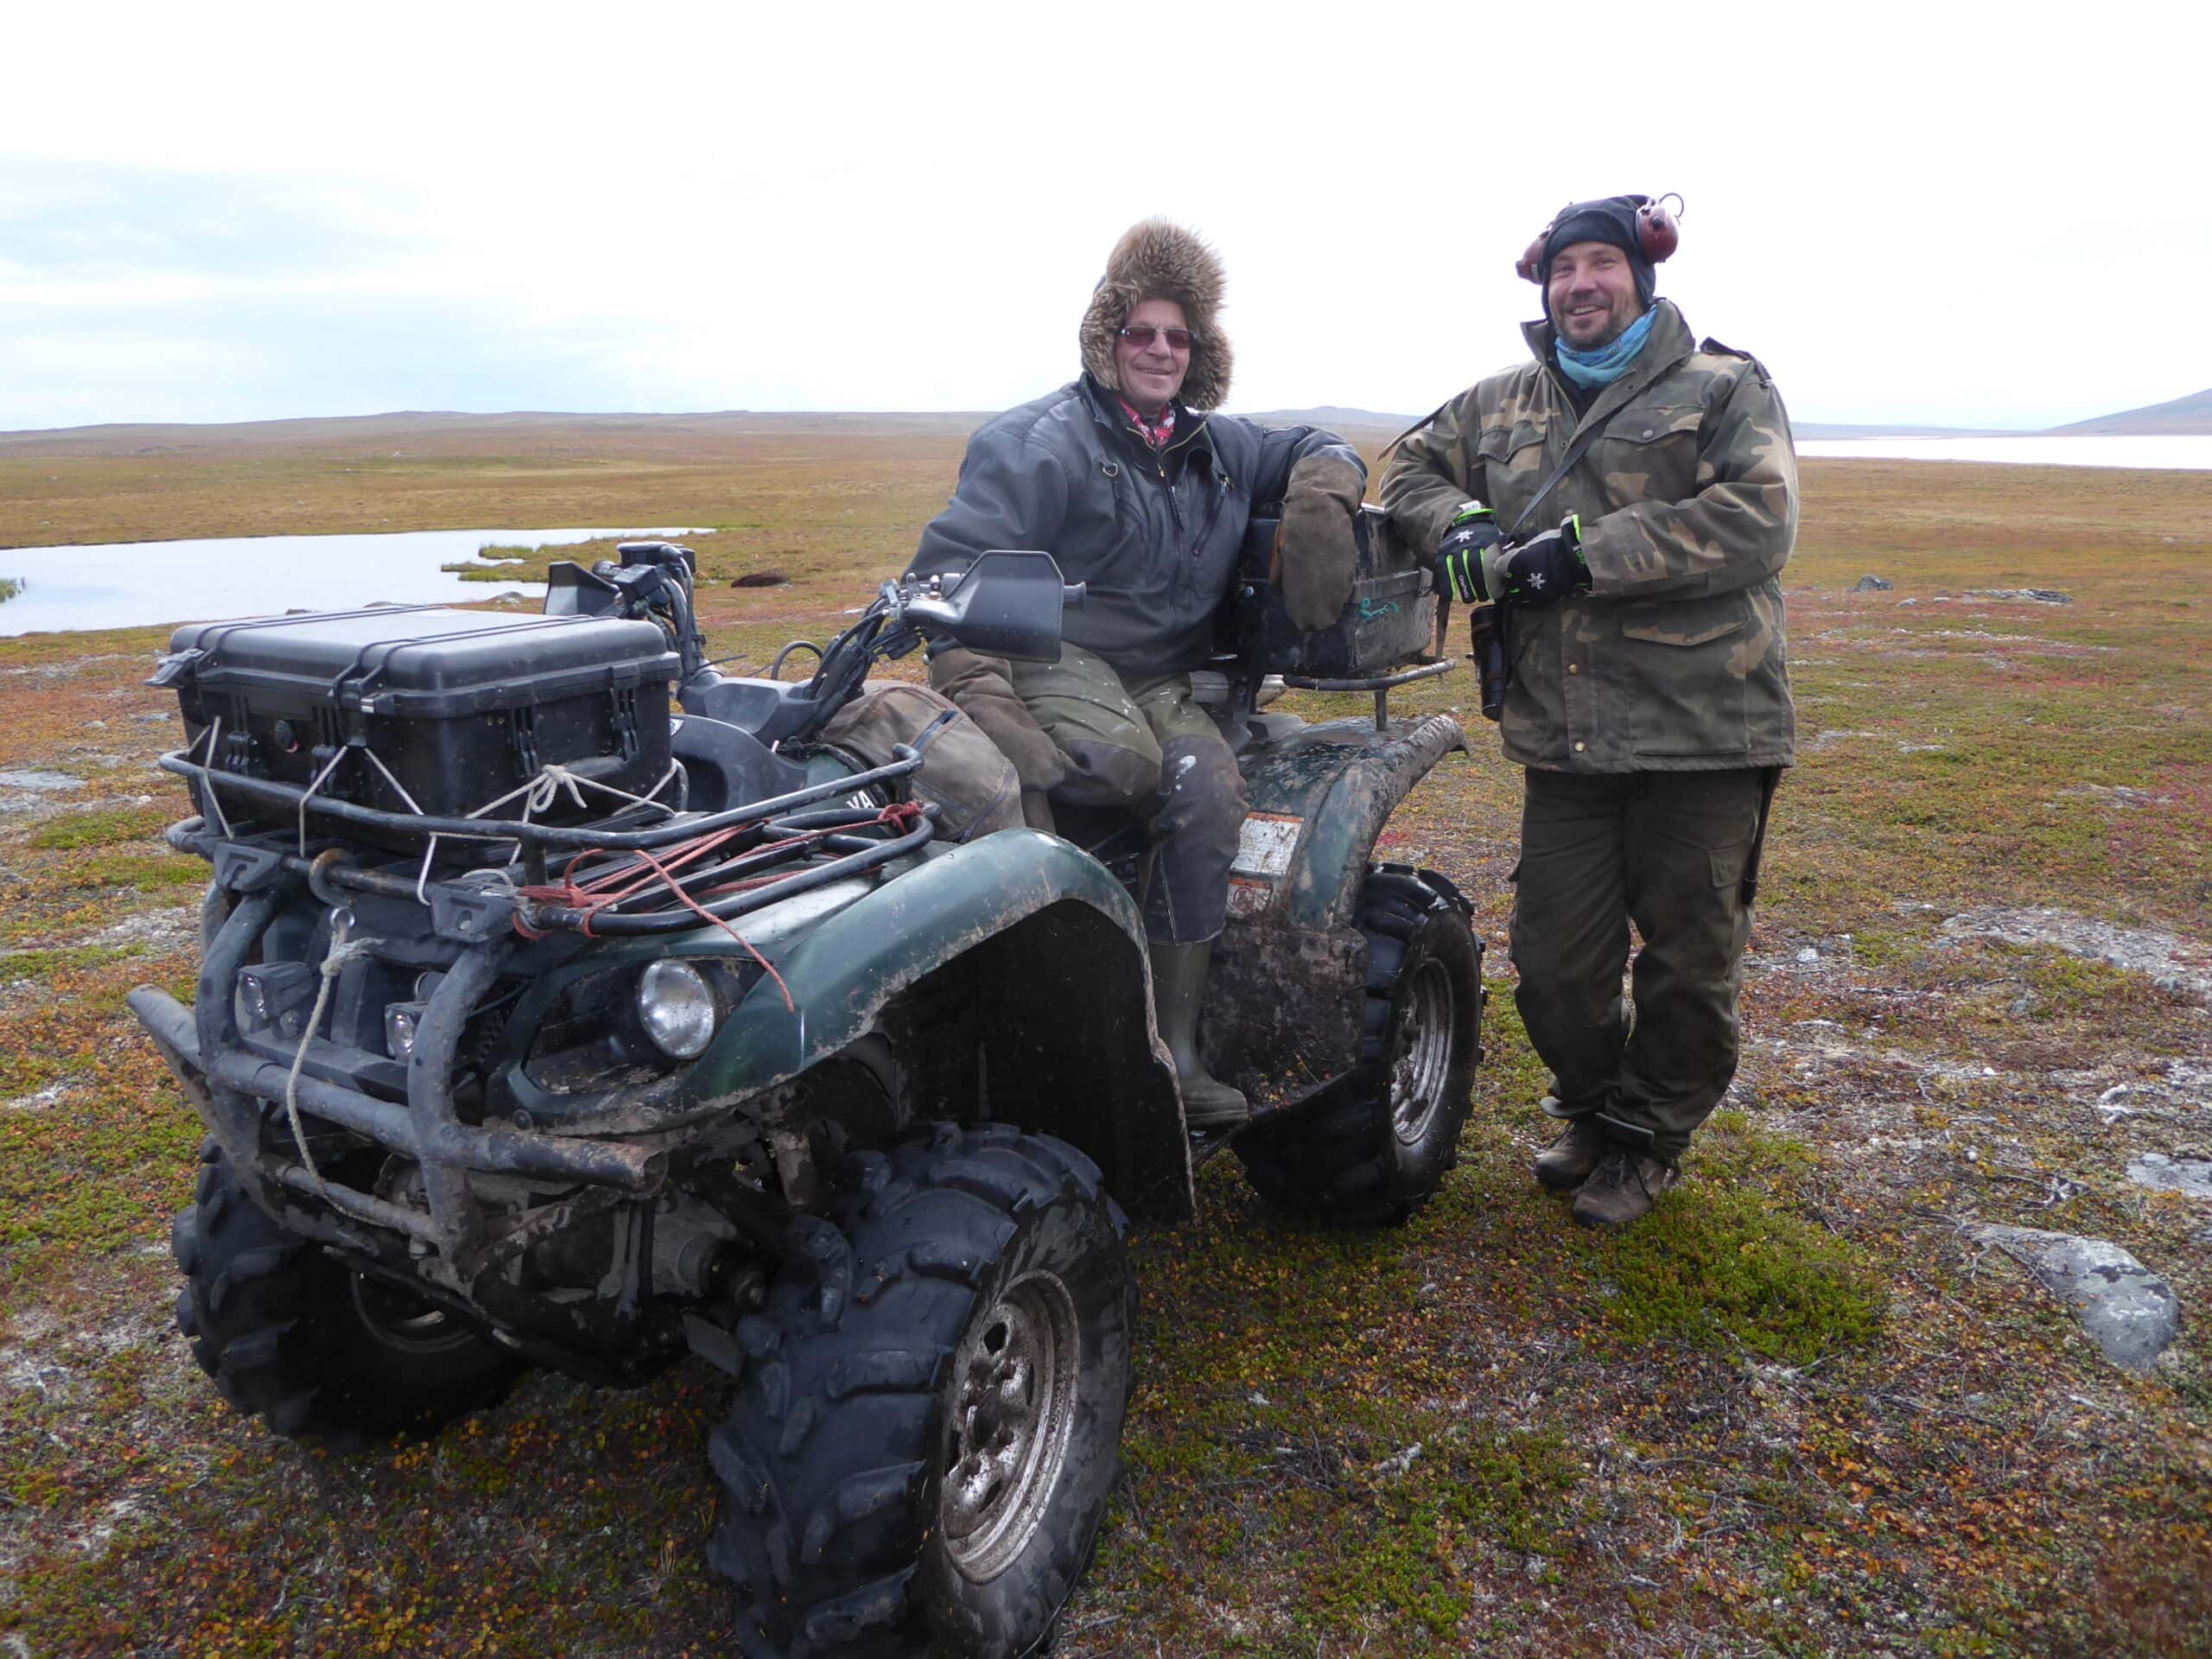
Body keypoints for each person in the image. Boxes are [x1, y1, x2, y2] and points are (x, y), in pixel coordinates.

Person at [1380, 194, 1797, 1228]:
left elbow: (1756, 520)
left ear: (1640, 277)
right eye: (1563, 271)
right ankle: (1595, 1106)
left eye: (1601, 265)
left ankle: (1648, 1140)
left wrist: (1587, 554)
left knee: (1689, 966)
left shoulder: (1722, 386)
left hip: (1704, 730)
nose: (1580, 286)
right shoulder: (1500, 402)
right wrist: (1458, 522)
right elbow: (1409, 469)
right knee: (1555, 967)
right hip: (1564, 739)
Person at [911, 218, 1366, 1130]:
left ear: (1198, 352)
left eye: (1177, 336)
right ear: (1105, 338)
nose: (1159, 349)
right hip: (1056, 655)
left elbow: (1321, 441)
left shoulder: (1218, 446)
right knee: (1118, 768)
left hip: (1165, 676)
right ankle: (1053, 1013)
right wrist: (987, 701)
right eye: (1140, 332)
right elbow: (947, 580)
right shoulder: (1037, 443)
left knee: (1209, 795)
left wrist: (1321, 495)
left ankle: (1176, 1053)